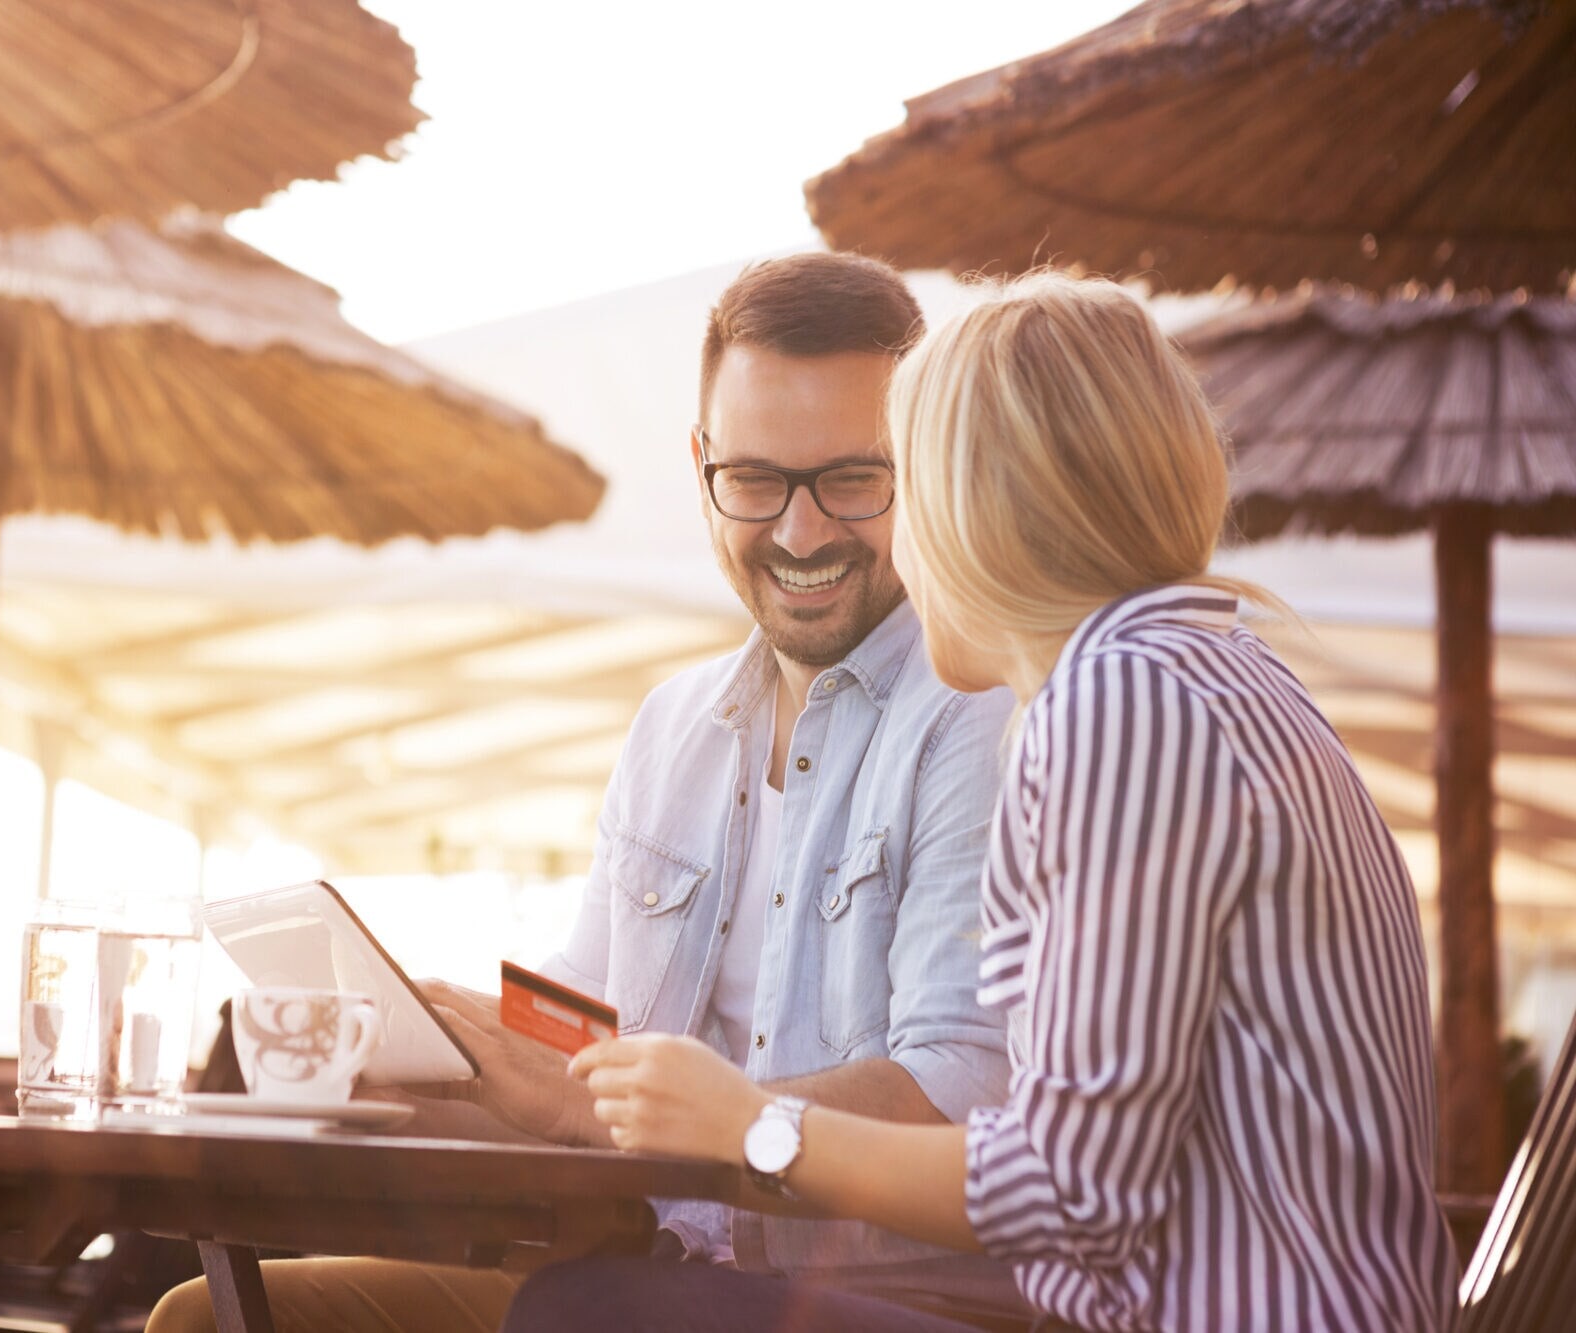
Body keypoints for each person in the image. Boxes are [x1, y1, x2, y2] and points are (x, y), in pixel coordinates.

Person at [508, 272, 1461, 1333]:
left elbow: (1071, 1196)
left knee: (588, 1312)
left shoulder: (1116, 708)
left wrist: (750, 1126)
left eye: (891, 484)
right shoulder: (1199, 676)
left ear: (979, 501)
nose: (858, 538)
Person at [147, 253, 1020, 1333]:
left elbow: (959, 1089)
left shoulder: (977, 716)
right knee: (216, 1320)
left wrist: (593, 1109)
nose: (801, 533)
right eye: (754, 481)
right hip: (645, 1275)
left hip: (889, 1303)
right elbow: (579, 1018)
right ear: (700, 466)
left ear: (922, 470)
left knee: (580, 1312)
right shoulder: (672, 728)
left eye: (853, 478)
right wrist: (441, 1052)